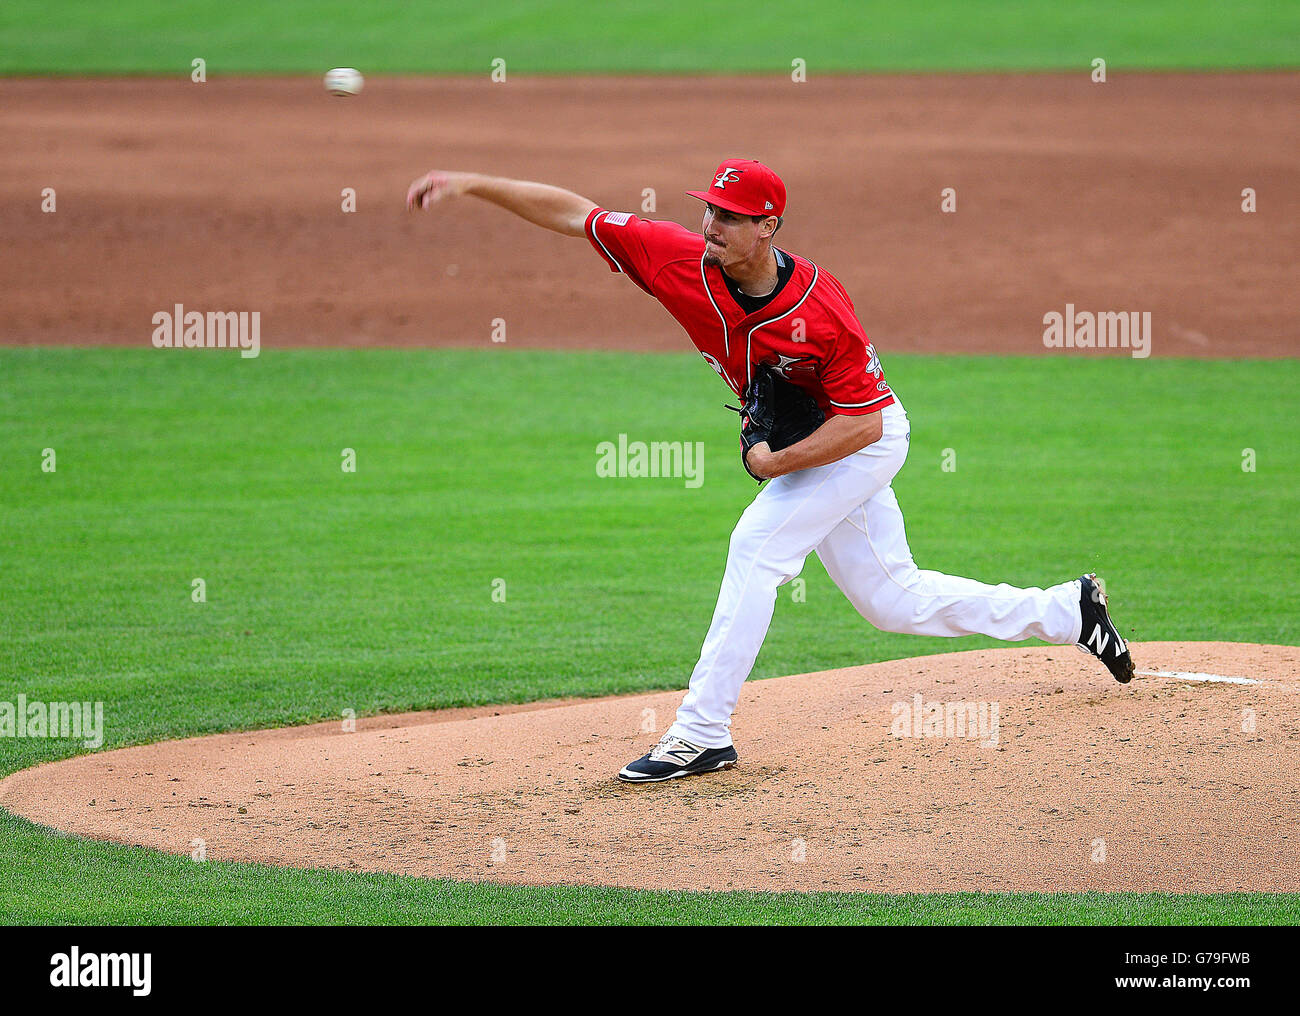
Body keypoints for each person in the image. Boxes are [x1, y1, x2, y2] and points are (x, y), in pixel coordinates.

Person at [406, 158, 1134, 784]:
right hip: (822, 441)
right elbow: (576, 214)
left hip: (863, 440)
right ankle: (1068, 610)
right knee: (894, 602)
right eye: (711, 210)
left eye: (732, 215)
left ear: (769, 228)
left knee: (757, 547)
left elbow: (868, 423)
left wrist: (775, 462)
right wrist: (470, 184)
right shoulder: (671, 257)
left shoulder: (823, 309)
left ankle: (702, 732)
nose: (713, 225)